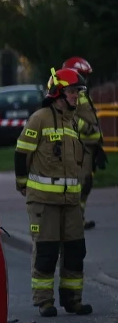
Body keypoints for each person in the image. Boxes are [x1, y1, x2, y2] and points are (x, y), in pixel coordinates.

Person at [14, 68, 91, 316]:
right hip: (44, 201)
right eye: (72, 92)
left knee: (75, 251)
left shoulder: (73, 122)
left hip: (70, 202)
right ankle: (44, 301)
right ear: (58, 92)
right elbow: (21, 153)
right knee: (46, 252)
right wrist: (22, 182)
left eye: (78, 92)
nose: (76, 97)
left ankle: (72, 299)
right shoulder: (40, 119)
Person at [61, 57, 108, 229]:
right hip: (79, 145)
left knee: (85, 184)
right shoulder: (70, 94)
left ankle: (78, 219)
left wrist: (97, 144)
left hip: (89, 145)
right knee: (79, 184)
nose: (85, 80)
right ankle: (73, 222)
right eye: (82, 76)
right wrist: (88, 129)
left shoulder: (80, 93)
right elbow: (70, 118)